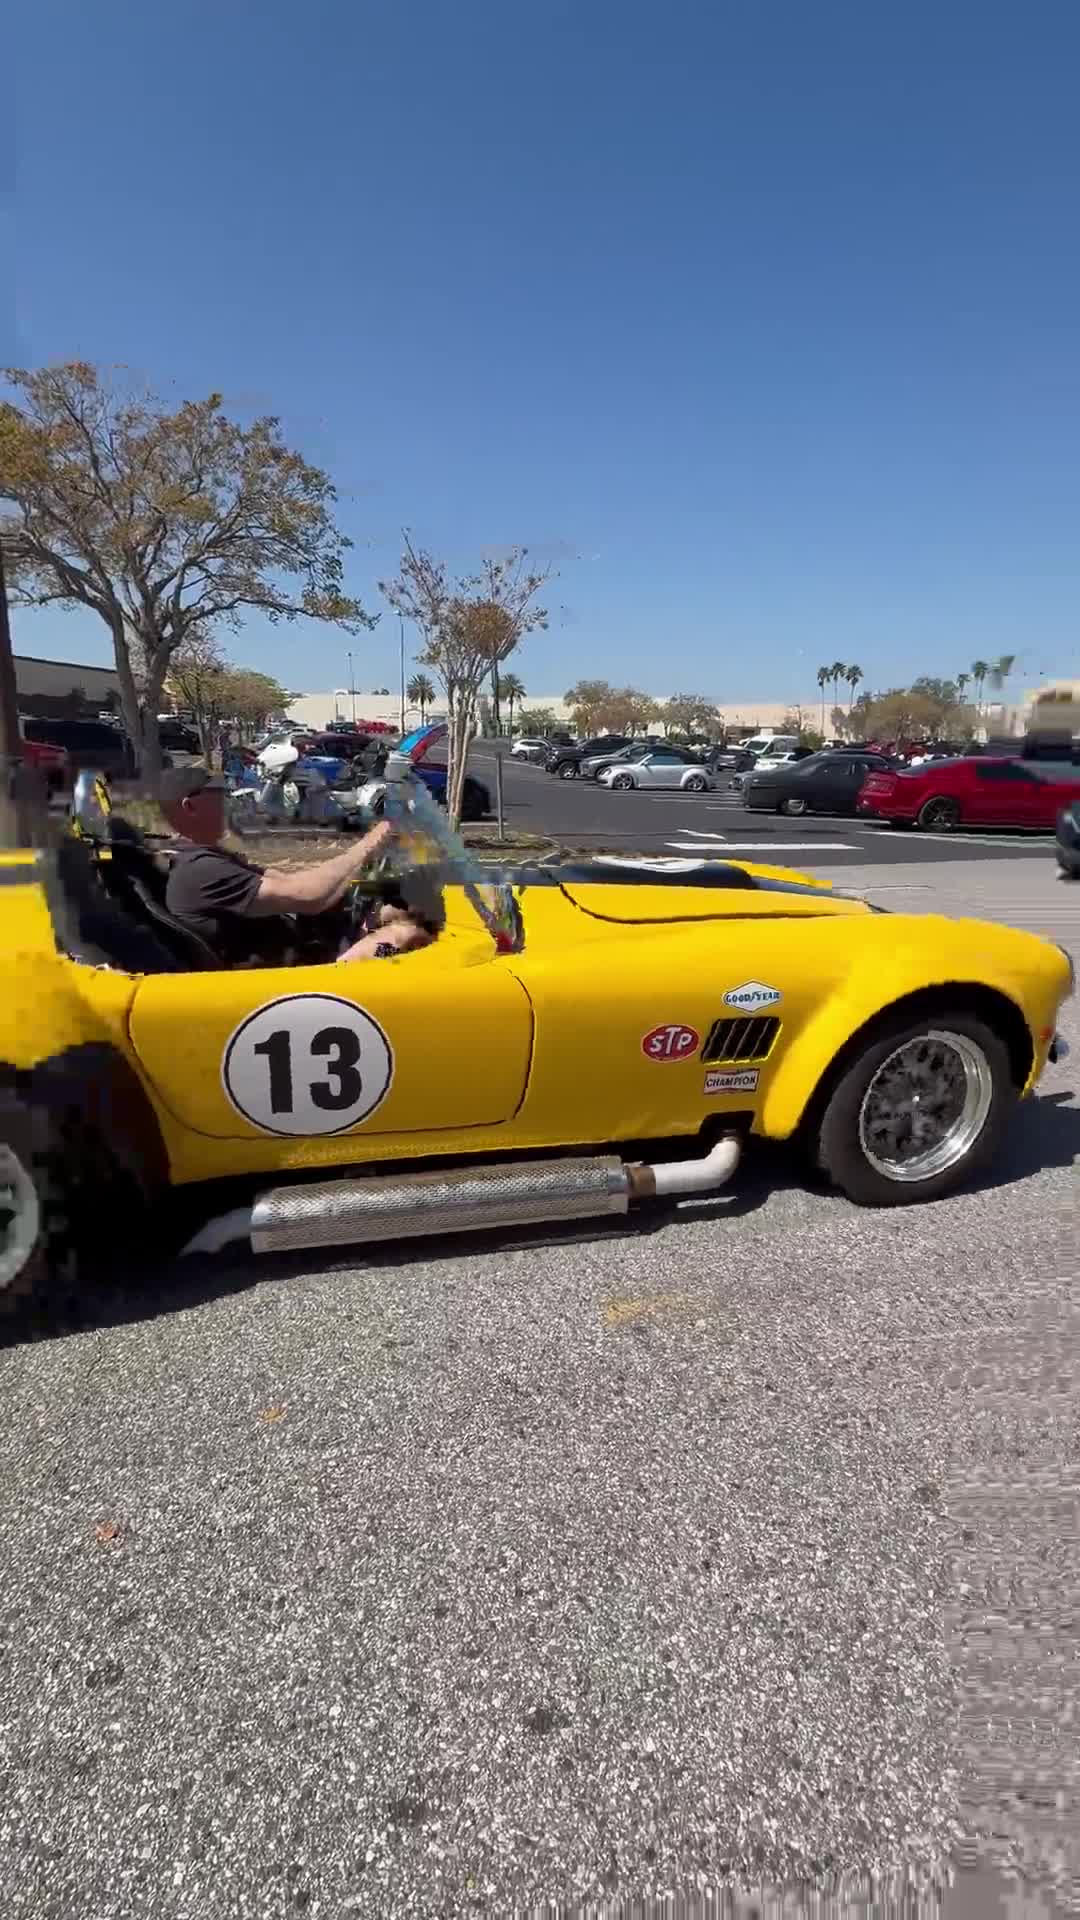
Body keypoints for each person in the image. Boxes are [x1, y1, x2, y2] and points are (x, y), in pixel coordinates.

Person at [158, 765, 440, 967]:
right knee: (404, 935)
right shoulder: (200, 870)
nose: (226, 803)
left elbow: (289, 881)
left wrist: (360, 876)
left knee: (398, 910)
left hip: (302, 946)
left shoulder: (208, 856)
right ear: (190, 807)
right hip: (298, 981)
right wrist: (371, 842)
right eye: (217, 796)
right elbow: (311, 897)